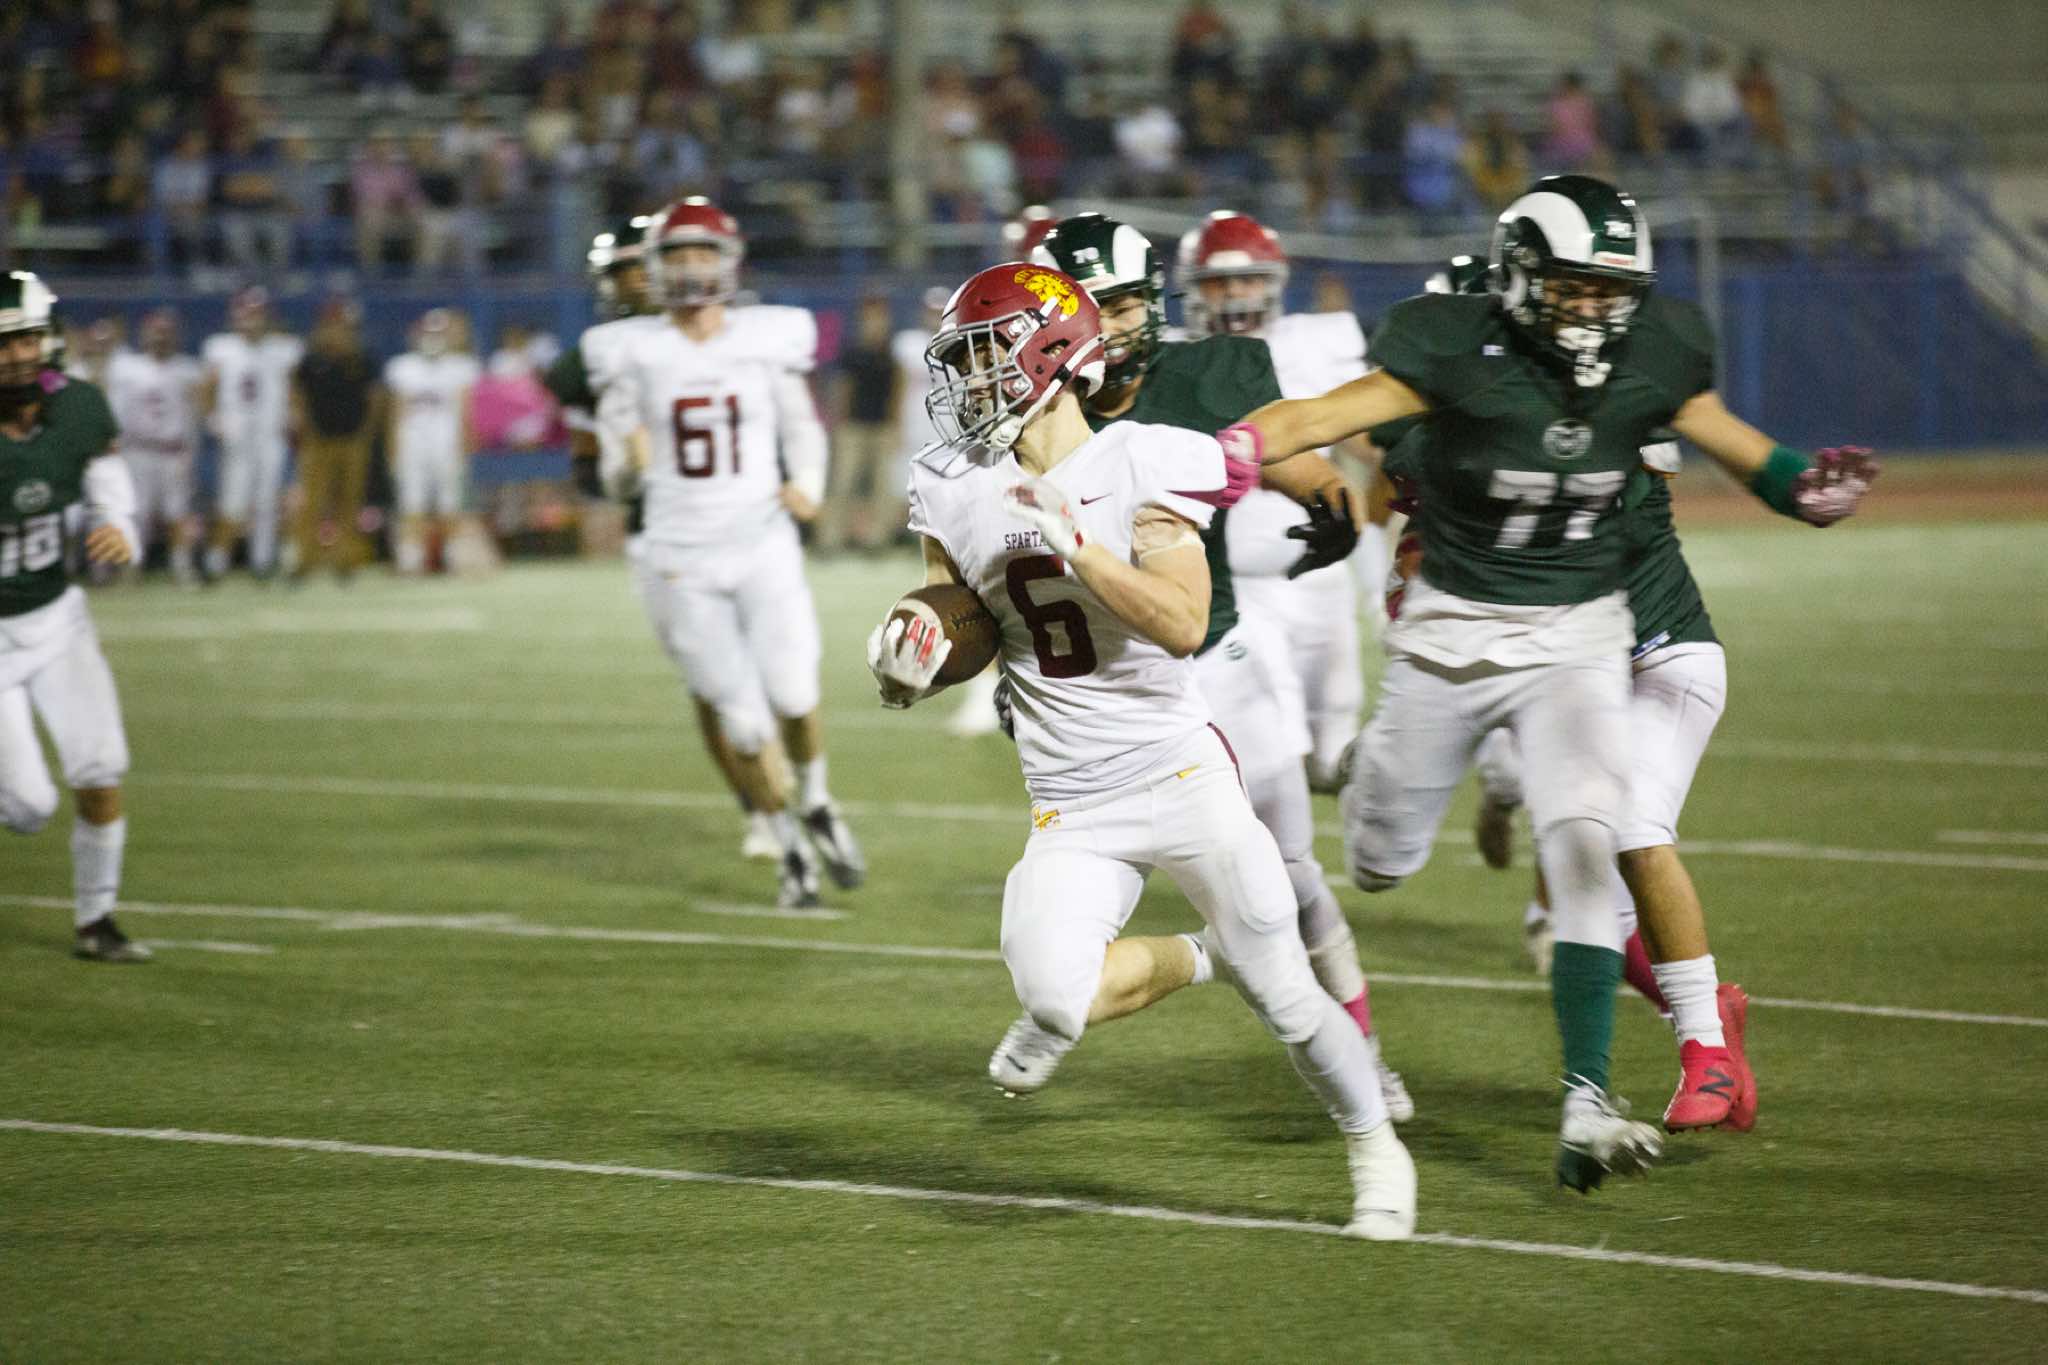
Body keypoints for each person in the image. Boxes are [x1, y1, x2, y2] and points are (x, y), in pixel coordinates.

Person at [1227, 174, 1878, 1189]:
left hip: (1584, 635)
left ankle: (1591, 1097)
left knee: (1587, 843)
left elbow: (1728, 439)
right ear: (1517, 280)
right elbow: (1328, 420)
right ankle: (1394, 781)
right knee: (1378, 860)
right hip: (1454, 637)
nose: (1591, 310)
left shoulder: (1644, 361)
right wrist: (1222, 449)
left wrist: (1800, 486)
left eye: (1608, 291)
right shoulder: (1450, 360)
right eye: (1572, 286)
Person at [869, 261, 1415, 1239]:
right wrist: (919, 663)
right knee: (1053, 997)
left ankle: (1375, 1145)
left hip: (1179, 772)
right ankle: (1207, 955)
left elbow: (1181, 622)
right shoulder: (952, 483)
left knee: (1292, 1001)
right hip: (1069, 800)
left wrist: (1078, 545)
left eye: (985, 356)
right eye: (963, 361)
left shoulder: (1146, 461)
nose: (969, 381)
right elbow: (971, 621)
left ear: (1049, 355)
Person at [1029, 213, 1411, 1118]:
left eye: (1125, 305)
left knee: (1291, 869)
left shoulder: (1202, 378)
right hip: (1105, 690)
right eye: (1091, 308)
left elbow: (1296, 466)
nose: (1111, 327)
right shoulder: (1027, 411)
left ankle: (1362, 1050)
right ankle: (1060, 999)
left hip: (1214, 653)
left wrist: (1328, 499)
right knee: (1090, 888)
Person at [580, 198, 863, 908]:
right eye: (677, 254)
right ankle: (786, 843)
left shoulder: (766, 337)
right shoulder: (629, 349)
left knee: (794, 693)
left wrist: (808, 483)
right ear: (655, 266)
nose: (690, 267)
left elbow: (801, 425)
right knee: (740, 719)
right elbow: (616, 477)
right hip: (681, 554)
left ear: (729, 261)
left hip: (762, 540)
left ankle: (817, 800)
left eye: (702, 252)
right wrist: (628, 462)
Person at [544, 215, 790, 865]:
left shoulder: (730, 330)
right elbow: (569, 393)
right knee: (712, 686)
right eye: (623, 273)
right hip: (664, 537)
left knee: (774, 671)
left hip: (749, 526)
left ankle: (784, 788)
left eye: (637, 268)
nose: (634, 283)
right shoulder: (611, 349)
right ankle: (759, 808)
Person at [1185, 210, 1380, 793]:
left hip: (1323, 575)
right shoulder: (1179, 361)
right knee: (1274, 750)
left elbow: (1370, 444)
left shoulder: (1315, 344)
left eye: (1248, 278)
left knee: (1333, 753)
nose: (1235, 293)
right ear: (1194, 287)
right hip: (1237, 584)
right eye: (1220, 282)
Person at [0, 271, 147, 961]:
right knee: (29, 807)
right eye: (4, 343)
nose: (18, 355)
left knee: (101, 767)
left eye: (27, 338)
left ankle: (97, 919)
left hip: (56, 617)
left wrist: (118, 526)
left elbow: (107, 482)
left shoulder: (78, 407)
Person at [201, 288, 304, 579]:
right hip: (237, 434)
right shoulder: (221, 347)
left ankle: (262, 561)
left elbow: (294, 387)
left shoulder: (283, 348)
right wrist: (212, 418)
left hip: (270, 433)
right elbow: (207, 387)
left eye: (257, 313)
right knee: (232, 501)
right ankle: (216, 561)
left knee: (267, 501)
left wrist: (294, 413)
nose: (252, 320)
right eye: (247, 313)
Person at [105, 310, 204, 585]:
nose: (161, 338)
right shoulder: (127, 368)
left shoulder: (187, 370)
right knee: (137, 512)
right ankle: (130, 567)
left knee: (178, 511)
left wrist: (190, 451)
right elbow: (115, 410)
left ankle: (181, 566)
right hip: (138, 449)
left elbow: (194, 415)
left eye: (166, 332)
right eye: (156, 332)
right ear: (144, 335)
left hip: (172, 450)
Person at [290, 297, 382, 580]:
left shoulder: (362, 359)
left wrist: (366, 434)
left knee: (350, 501)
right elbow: (297, 395)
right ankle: (305, 559)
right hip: (318, 441)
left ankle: (346, 559)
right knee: (312, 502)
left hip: (352, 440)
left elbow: (375, 399)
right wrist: (303, 429)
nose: (337, 331)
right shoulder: (311, 360)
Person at [383, 308, 479, 575]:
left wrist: (465, 443)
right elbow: (396, 411)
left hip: (447, 444)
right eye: (429, 331)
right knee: (411, 503)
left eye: (439, 332)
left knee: (450, 503)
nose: (433, 338)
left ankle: (452, 558)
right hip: (412, 443)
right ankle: (410, 560)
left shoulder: (460, 366)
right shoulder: (403, 367)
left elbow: (465, 411)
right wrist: (393, 445)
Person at [815, 294, 901, 555]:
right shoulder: (852, 352)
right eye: (870, 317)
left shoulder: (891, 352)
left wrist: (896, 425)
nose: (875, 323)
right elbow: (842, 389)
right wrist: (837, 424)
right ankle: (829, 539)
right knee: (842, 483)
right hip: (852, 427)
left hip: (882, 427)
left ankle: (877, 540)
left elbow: (898, 389)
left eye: (879, 317)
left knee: (881, 486)